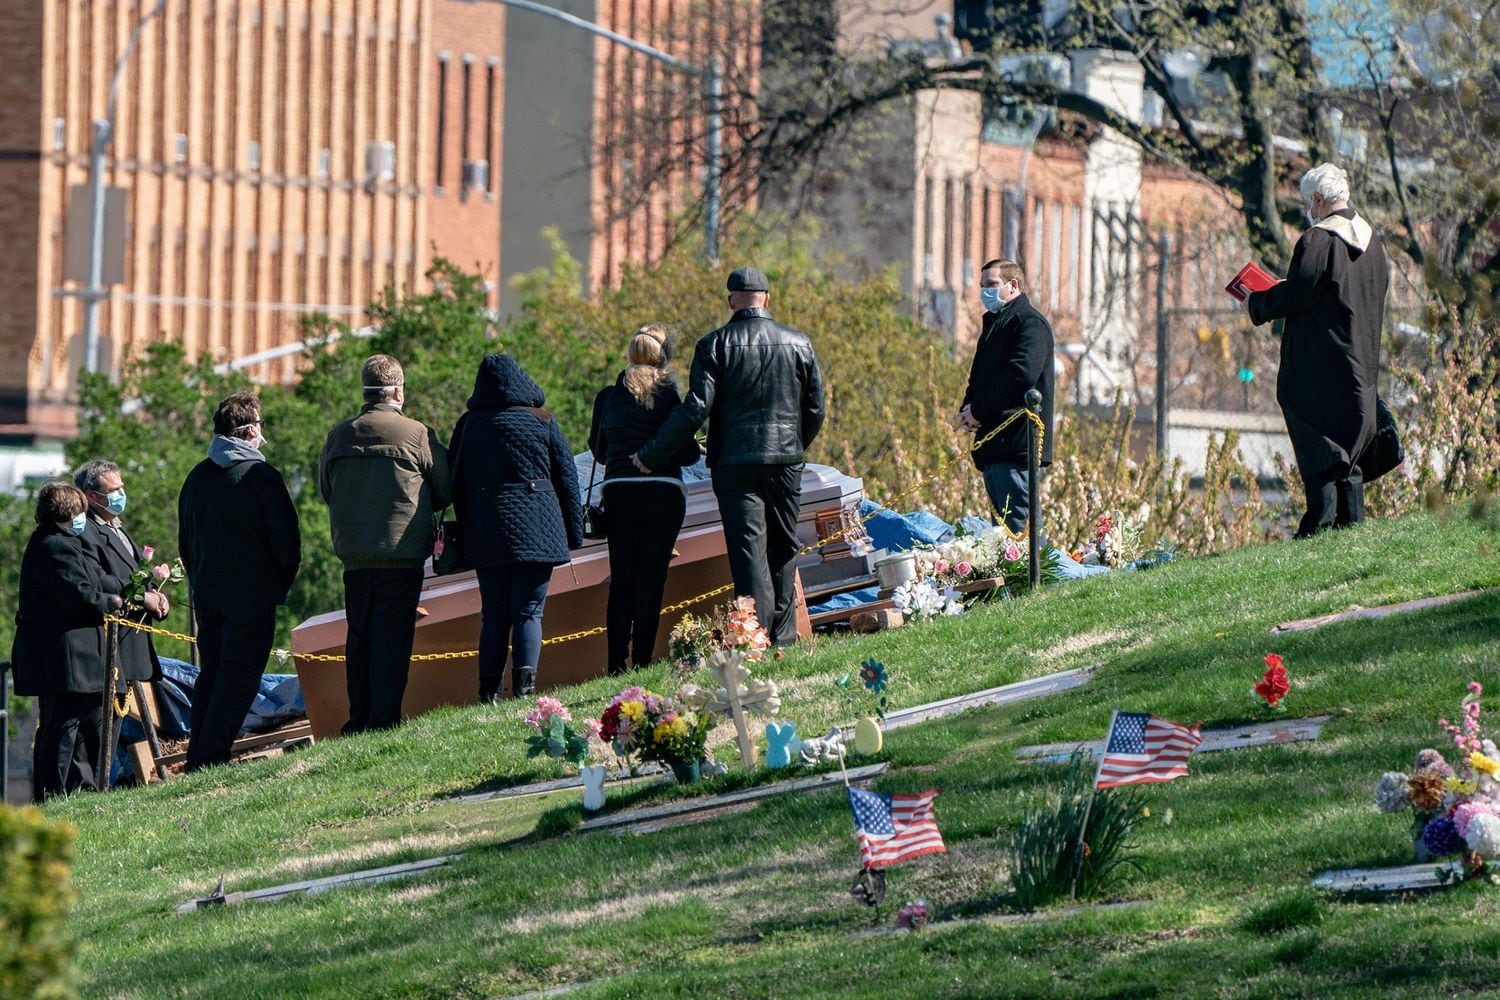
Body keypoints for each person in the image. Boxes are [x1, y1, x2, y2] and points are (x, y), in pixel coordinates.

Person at [633, 266, 824, 646]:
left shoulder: (714, 345)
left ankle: (755, 636)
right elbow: (815, 408)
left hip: (734, 462)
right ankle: (784, 637)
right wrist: (795, 446)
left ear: (731, 301)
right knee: (785, 544)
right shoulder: (799, 342)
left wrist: (652, 454)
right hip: (786, 460)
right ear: (767, 299)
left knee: (748, 548)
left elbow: (696, 408)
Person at [1245, 162, 1387, 538]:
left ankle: (1319, 529)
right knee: (1348, 456)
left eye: (1309, 202)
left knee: (1321, 451)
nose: (1308, 210)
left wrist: (1258, 300)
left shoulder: (1318, 241)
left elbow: (1298, 293)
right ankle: (1350, 530)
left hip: (1318, 370)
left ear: (1320, 200)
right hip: (1361, 371)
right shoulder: (1374, 245)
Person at [319, 355, 450, 733]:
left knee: (359, 638)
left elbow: (327, 489)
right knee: (393, 640)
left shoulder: (339, 436)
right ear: (396, 391)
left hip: (355, 555)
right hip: (401, 552)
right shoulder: (416, 434)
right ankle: (384, 719)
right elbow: (444, 489)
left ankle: (358, 718)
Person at [178, 392, 302, 770]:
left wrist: (200, 580)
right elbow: (286, 542)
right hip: (251, 597)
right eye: (260, 426)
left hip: (209, 596)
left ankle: (199, 753)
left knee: (212, 674)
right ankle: (211, 758)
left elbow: (186, 543)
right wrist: (276, 586)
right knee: (240, 679)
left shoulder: (197, 478)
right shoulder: (261, 477)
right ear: (250, 431)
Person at [451, 354, 583, 701]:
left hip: (487, 531)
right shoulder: (542, 420)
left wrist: (467, 528)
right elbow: (567, 478)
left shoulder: (469, 425)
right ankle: (525, 691)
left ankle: (488, 694)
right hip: (539, 526)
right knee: (528, 611)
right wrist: (574, 532)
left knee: (493, 614)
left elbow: (456, 483)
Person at [589, 325, 703, 675]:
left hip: (620, 492)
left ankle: (614, 664)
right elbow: (684, 452)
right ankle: (642, 658)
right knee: (652, 577)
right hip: (662, 492)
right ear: (661, 356)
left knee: (621, 578)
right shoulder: (669, 395)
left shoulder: (608, 396)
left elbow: (599, 449)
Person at [11, 483, 125, 801]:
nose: (83, 518)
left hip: (67, 655)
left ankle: (77, 789)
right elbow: (80, 596)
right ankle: (56, 793)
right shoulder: (55, 546)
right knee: (62, 728)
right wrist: (111, 602)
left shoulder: (59, 541)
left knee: (73, 725)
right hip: (63, 656)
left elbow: (90, 579)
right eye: (80, 512)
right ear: (67, 511)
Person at [957, 258, 1055, 537]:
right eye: (982, 286)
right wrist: (968, 410)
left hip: (1016, 443)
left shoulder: (1029, 324)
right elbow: (980, 377)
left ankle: (1035, 582)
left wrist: (980, 410)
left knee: (1020, 533)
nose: (984, 292)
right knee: (1004, 535)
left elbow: (1020, 375)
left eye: (992, 285)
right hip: (995, 446)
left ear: (1013, 286)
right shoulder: (997, 325)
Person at [73, 458, 166, 696]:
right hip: (110, 647)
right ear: (91, 496)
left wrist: (156, 594)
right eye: (114, 490)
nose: (121, 494)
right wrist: (141, 597)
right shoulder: (86, 532)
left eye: (121, 487)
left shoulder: (116, 527)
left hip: (132, 644)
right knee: (104, 727)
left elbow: (135, 573)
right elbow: (100, 580)